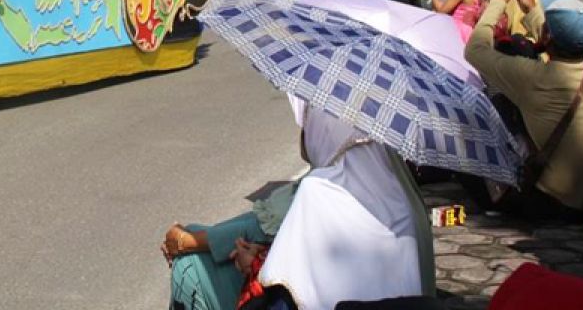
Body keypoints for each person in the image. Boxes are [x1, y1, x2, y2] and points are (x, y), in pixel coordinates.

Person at [163, 105, 434, 310]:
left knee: (191, 266)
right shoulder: (405, 201)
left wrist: (255, 263)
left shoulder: (320, 192)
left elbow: (289, 294)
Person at [465, 0, 583, 218]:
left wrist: (498, 1)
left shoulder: (534, 76)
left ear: (547, 35)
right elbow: (559, 43)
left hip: (554, 205)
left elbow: (475, 50)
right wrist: (531, 10)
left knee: (485, 113)